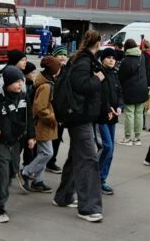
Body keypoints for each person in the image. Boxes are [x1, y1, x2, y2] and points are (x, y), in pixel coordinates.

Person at [53, 30, 106, 223]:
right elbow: (81, 85)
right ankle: (89, 207)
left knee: (77, 156)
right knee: (88, 160)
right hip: (80, 116)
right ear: (98, 43)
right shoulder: (84, 61)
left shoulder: (81, 59)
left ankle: (64, 196)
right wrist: (98, 79)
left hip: (79, 115)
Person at [0, 66, 34, 223]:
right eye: (16, 82)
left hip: (15, 141)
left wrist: (31, 136)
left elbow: (29, 117)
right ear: (7, 82)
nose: (20, 84)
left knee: (11, 170)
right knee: (2, 173)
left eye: (21, 81)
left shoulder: (23, 96)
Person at [21, 56, 61, 193]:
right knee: (47, 153)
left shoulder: (46, 82)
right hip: (42, 124)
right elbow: (40, 108)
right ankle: (26, 171)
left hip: (43, 124)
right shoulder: (46, 86)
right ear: (53, 70)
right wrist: (53, 117)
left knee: (42, 153)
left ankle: (38, 181)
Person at [97, 47, 122, 194]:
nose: (112, 60)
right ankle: (97, 176)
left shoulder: (115, 74)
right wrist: (107, 109)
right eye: (108, 57)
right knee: (107, 147)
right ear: (102, 59)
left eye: (113, 58)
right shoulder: (99, 73)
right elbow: (98, 95)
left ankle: (102, 178)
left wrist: (119, 107)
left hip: (113, 117)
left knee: (111, 150)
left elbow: (119, 93)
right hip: (101, 117)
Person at [117, 38, 149, 146]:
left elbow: (121, 76)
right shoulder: (142, 57)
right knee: (139, 113)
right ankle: (137, 138)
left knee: (129, 113)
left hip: (130, 89)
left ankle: (127, 138)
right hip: (142, 88)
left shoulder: (126, 60)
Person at [46, 45, 69, 174]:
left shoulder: (67, 71)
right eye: (60, 54)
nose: (62, 57)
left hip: (60, 112)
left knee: (57, 138)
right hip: (48, 110)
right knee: (44, 139)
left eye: (64, 54)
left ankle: (51, 162)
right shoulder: (49, 70)